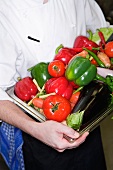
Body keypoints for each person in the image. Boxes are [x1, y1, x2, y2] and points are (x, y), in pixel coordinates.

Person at [0, 0, 108, 170]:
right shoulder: (4, 11)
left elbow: (101, 31)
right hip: (39, 132)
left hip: (87, 111)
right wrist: (36, 129)